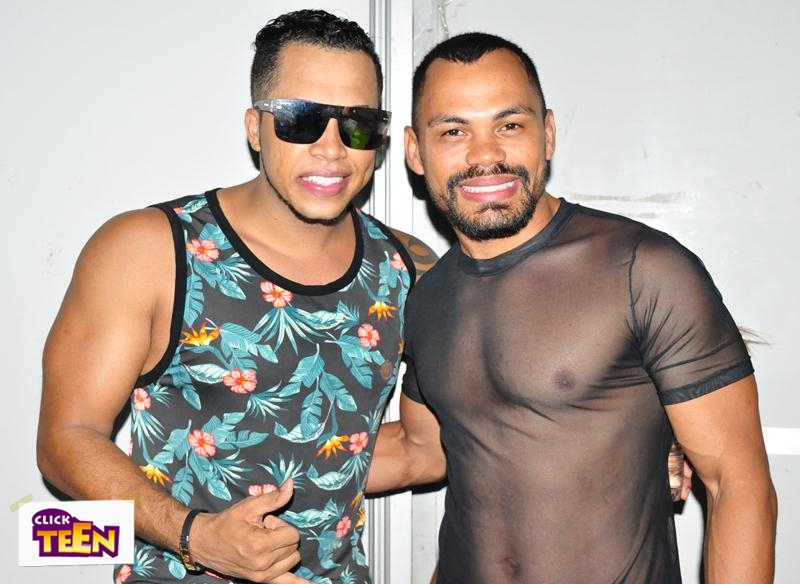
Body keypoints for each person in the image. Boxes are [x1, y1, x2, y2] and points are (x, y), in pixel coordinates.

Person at [37, 10, 436, 584]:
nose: (332, 149)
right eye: (300, 120)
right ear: (255, 127)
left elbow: (418, 451)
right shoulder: (149, 249)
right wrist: (196, 536)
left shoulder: (407, 268)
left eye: (357, 125)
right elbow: (65, 438)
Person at [367, 32, 777, 583]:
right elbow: (422, 451)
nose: (485, 155)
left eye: (510, 125)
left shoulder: (641, 269)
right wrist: (253, 466)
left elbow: (737, 483)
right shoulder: (429, 296)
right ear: (415, 152)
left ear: (549, 134)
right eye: (454, 131)